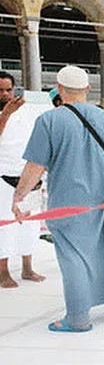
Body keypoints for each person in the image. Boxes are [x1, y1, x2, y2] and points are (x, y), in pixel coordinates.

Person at [16, 65, 104, 331]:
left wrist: (19, 197)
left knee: (74, 257)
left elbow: (34, 167)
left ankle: (78, 318)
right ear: (87, 89)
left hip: (68, 204)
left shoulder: (49, 121)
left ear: (59, 88)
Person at [0, 71, 45, 288]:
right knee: (4, 227)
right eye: (0, 90)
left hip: (28, 177)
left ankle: (27, 267)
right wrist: (5, 115)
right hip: (3, 177)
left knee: (30, 224)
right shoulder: (6, 113)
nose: (5, 94)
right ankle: (3, 271)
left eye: (8, 89)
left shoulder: (25, 111)